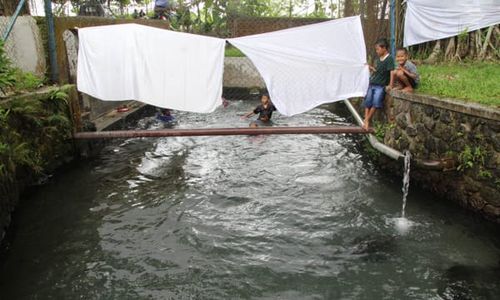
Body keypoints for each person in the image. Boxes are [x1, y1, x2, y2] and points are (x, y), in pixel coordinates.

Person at [363, 38, 394, 130]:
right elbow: (377, 71)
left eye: (378, 49)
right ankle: (366, 119)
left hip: (380, 85)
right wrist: (371, 68)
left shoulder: (389, 59)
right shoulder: (378, 59)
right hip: (372, 83)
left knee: (376, 102)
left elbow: (392, 72)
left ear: (384, 48)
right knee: (367, 101)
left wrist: (390, 85)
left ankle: (367, 119)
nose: (377, 51)